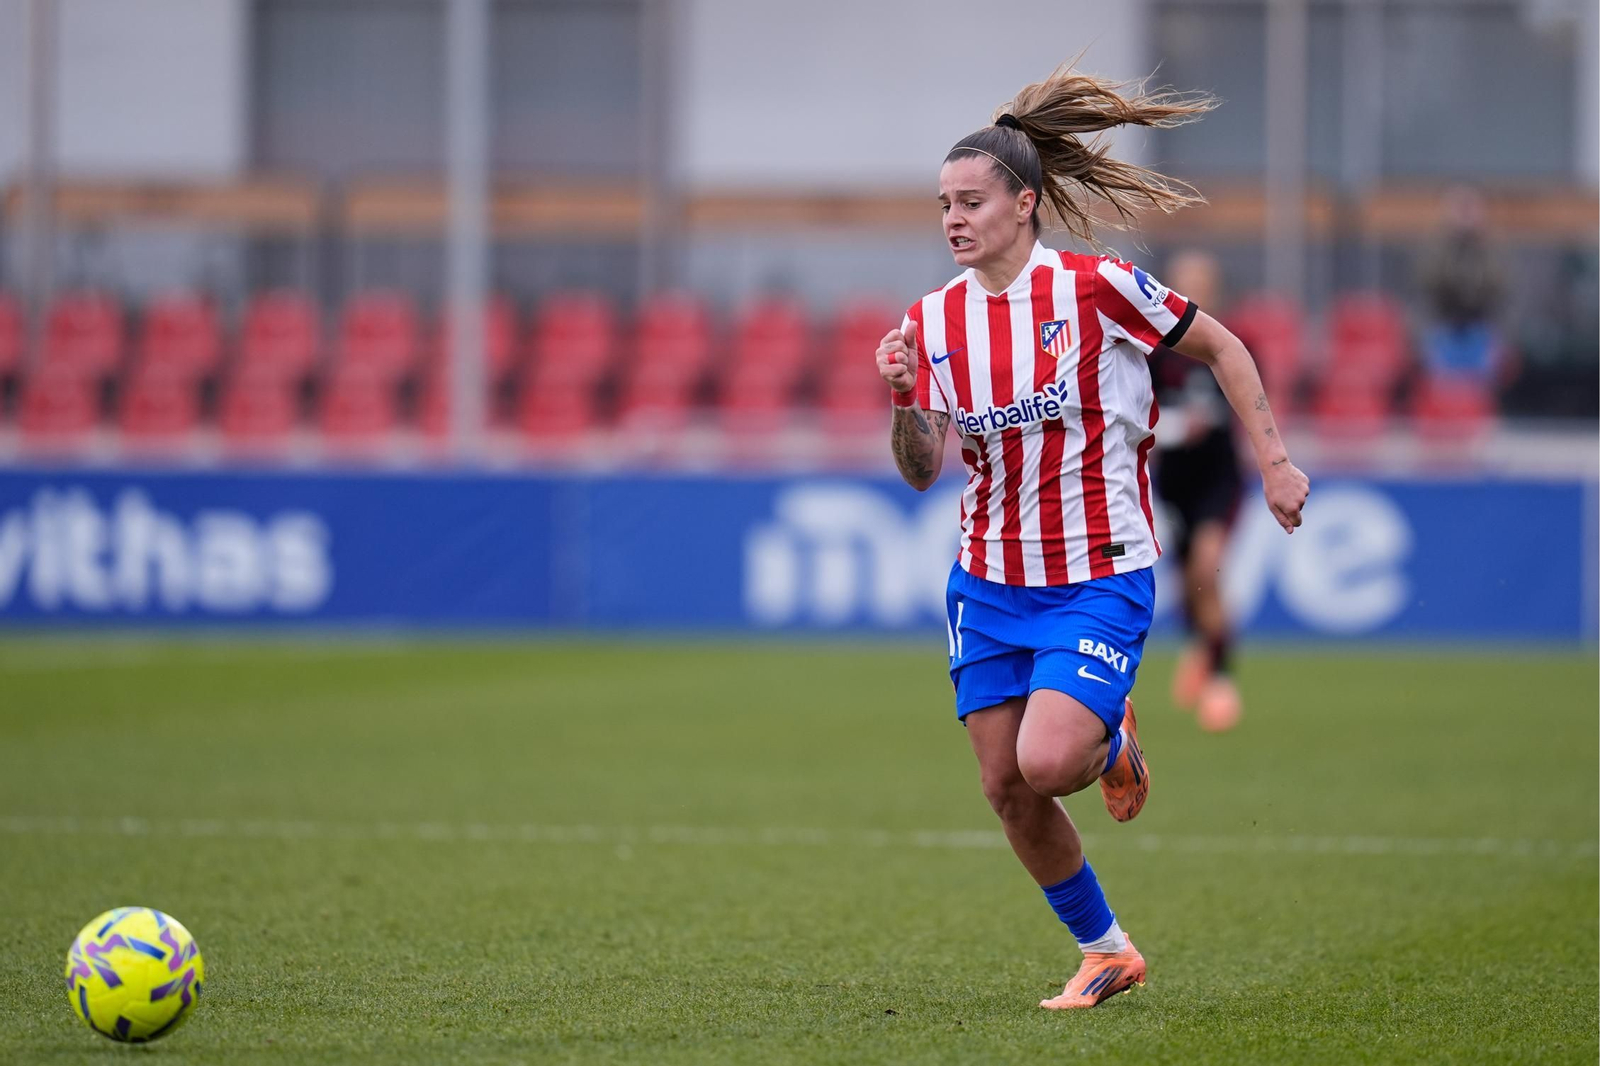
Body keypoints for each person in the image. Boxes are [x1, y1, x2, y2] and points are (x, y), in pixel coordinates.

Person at [874, 64, 1309, 1010]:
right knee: (1007, 787)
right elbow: (919, 466)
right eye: (943, 204)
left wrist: (1274, 462)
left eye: (971, 201)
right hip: (985, 582)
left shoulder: (1098, 289)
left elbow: (1224, 346)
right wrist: (906, 393)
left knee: (1050, 760)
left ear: (1024, 204)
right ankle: (1107, 950)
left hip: (1097, 570)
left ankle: (1110, 734)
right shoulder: (932, 320)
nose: (952, 219)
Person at [1147, 250, 1247, 732]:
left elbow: (1245, 408)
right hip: (1173, 485)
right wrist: (1171, 430)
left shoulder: (1229, 347)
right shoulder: (1155, 355)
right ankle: (1199, 646)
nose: (1192, 294)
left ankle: (1222, 678)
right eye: (1183, 284)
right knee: (1190, 580)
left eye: (1200, 283)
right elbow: (1139, 419)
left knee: (1208, 566)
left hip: (1218, 480)